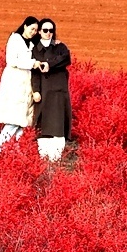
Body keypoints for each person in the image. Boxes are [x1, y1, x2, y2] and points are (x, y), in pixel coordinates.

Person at [0, 16, 40, 153]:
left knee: (23, 121)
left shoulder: (31, 44)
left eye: (36, 30)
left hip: (26, 85)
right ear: (25, 26)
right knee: (14, 118)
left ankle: (15, 149)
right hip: (14, 82)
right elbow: (12, 60)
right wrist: (32, 63)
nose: (34, 32)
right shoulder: (15, 40)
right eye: (32, 29)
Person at [29, 17, 72, 162]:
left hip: (59, 90)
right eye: (45, 30)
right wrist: (36, 91)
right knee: (44, 123)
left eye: (51, 30)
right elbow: (34, 72)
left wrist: (49, 64)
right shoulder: (35, 50)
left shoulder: (60, 47)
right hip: (44, 90)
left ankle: (56, 157)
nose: (48, 33)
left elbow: (66, 58)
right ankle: (44, 156)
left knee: (59, 124)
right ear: (40, 32)